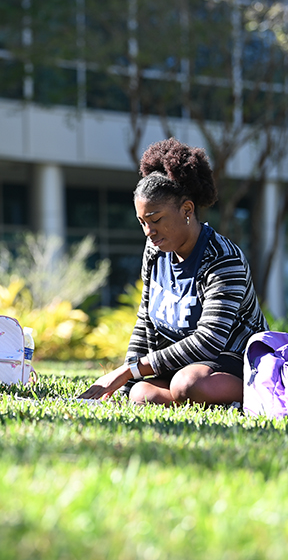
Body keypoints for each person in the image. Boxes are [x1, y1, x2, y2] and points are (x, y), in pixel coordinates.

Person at [79, 138, 267, 405]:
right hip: (183, 364)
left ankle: (253, 398)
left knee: (188, 383)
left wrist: (128, 370)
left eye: (155, 220)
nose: (148, 232)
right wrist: (123, 387)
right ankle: (189, 399)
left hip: (232, 362)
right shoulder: (155, 251)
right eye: (142, 222)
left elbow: (208, 342)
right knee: (140, 394)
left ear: (187, 210)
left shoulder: (224, 260)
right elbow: (146, 321)